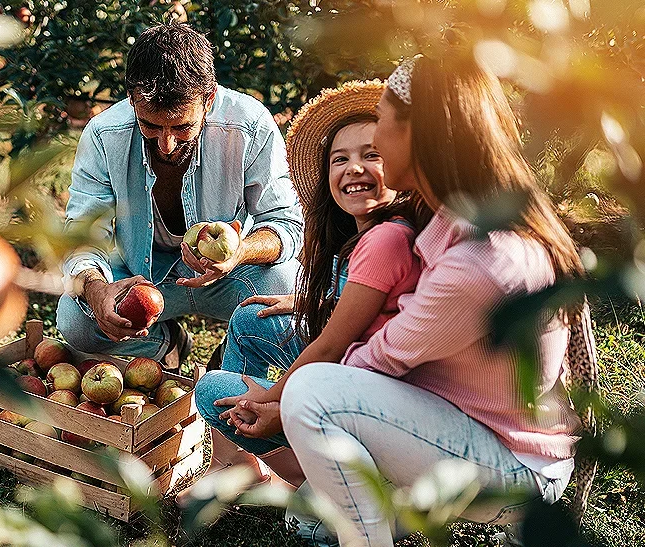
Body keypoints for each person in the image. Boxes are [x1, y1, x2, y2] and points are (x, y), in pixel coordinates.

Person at [221, 54, 586, 547]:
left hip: (515, 466)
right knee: (310, 383)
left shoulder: (479, 260)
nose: (375, 141)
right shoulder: (452, 216)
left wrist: (279, 403)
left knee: (313, 391)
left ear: (419, 137)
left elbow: (380, 358)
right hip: (469, 426)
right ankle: (369, 509)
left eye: (384, 126)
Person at [190, 80, 431, 499]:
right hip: (354, 374)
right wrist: (308, 301)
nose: (354, 168)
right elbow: (371, 305)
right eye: (340, 159)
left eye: (371, 155)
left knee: (212, 391)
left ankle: (316, 481)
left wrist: (272, 405)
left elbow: (332, 347)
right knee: (249, 317)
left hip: (363, 391)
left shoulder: (386, 239)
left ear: (398, 162)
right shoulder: (366, 236)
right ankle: (234, 463)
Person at [56, 22, 303, 367]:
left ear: (209, 99)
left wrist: (239, 252)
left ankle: (232, 357)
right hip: (142, 273)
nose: (167, 144)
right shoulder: (104, 134)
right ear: (132, 100)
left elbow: (286, 222)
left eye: (182, 127)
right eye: (151, 126)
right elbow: (82, 231)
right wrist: (98, 291)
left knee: (284, 288)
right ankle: (166, 345)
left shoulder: (250, 125)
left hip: (228, 275)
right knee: (76, 319)